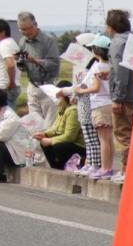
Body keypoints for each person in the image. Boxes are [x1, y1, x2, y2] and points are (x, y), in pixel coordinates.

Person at [107, 9, 133, 184]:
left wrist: (117, 97)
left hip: (125, 97)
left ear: (111, 27)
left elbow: (120, 70)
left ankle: (127, 170)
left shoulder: (117, 43)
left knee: (124, 135)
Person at [77, 34, 114, 179]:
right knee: (109, 139)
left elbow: (96, 88)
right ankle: (109, 167)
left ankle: (105, 169)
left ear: (96, 51)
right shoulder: (111, 66)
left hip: (99, 104)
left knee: (103, 140)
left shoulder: (97, 66)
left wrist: (81, 90)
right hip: (110, 103)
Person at [15, 11, 61, 128]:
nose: (25, 32)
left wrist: (34, 61)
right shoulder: (22, 41)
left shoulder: (48, 40)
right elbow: (24, 68)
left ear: (35, 25)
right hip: (32, 86)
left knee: (50, 124)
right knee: (34, 124)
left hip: (48, 85)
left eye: (27, 29)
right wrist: (20, 62)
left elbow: (54, 63)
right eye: (21, 29)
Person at [67, 32, 101, 175]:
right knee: (87, 135)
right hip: (81, 100)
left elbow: (87, 84)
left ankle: (95, 164)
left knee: (92, 136)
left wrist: (77, 91)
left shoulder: (94, 65)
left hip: (89, 101)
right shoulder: (79, 63)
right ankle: (90, 162)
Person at [33, 81, 86, 169]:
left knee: (58, 146)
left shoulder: (73, 110)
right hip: (69, 143)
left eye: (58, 96)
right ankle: (57, 168)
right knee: (44, 143)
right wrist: (45, 134)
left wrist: (51, 140)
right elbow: (55, 128)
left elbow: (70, 137)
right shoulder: (63, 109)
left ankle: (71, 166)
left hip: (79, 146)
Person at [0, 18, 22, 108]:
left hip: (5, 88)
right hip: (6, 87)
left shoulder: (5, 44)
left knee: (6, 116)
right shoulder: (9, 43)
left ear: (2, 32)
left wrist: (11, 83)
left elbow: (10, 64)